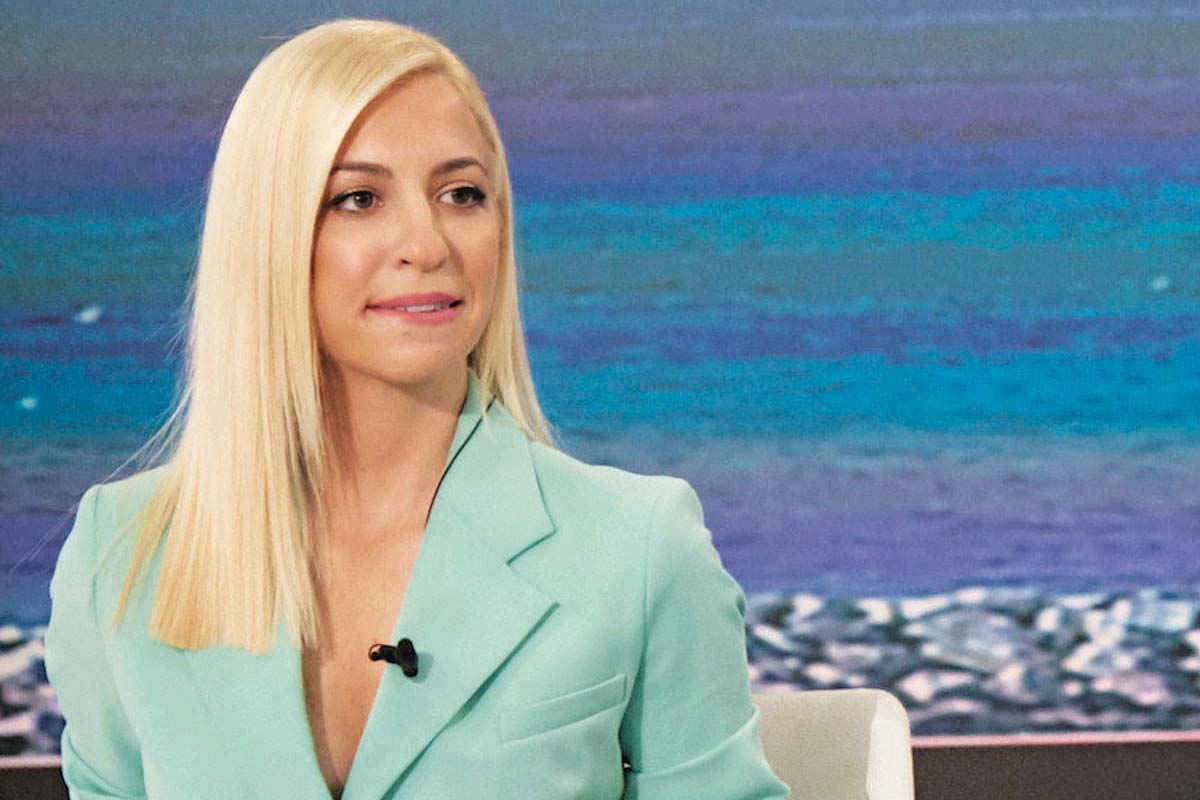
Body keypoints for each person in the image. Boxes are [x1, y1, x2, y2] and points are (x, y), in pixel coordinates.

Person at [42, 18, 791, 800]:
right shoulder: (119, 554)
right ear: (268, 236)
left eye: (461, 195)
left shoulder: (638, 548)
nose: (427, 244)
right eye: (359, 198)